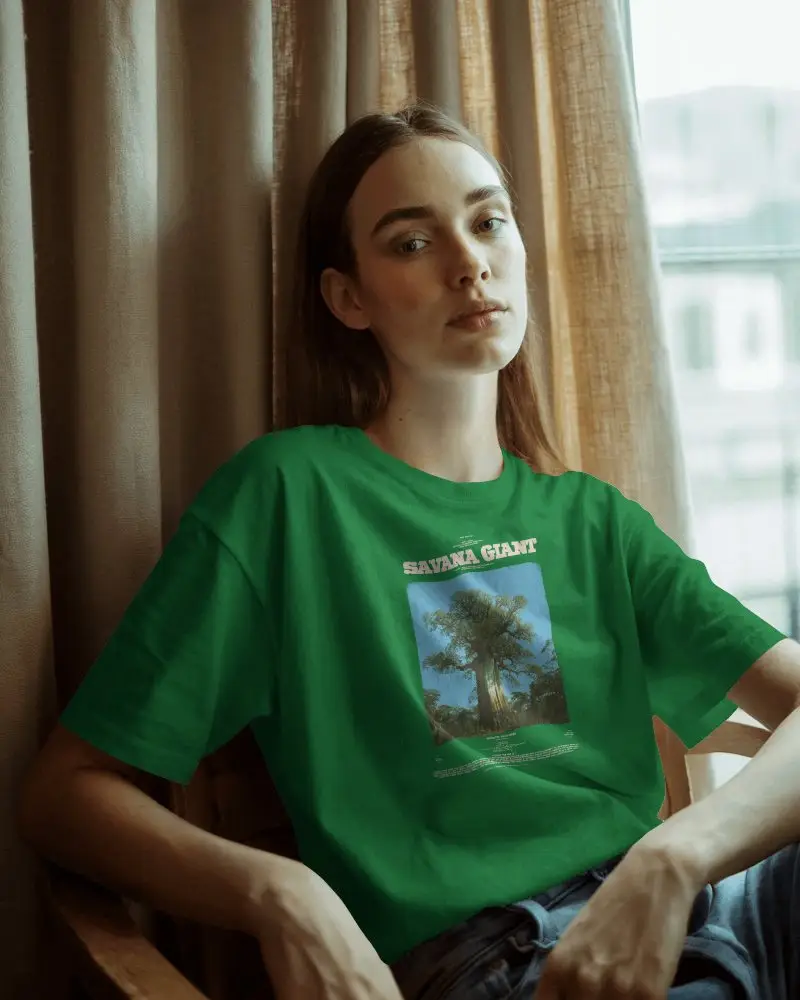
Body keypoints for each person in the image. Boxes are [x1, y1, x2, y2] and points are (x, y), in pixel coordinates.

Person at [17, 102, 800, 1000]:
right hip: (505, 964)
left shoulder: (595, 521)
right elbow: (64, 796)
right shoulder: (289, 497)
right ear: (348, 298)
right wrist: (282, 893)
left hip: (688, 914)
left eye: (487, 221)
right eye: (411, 242)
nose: (469, 262)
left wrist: (672, 859)